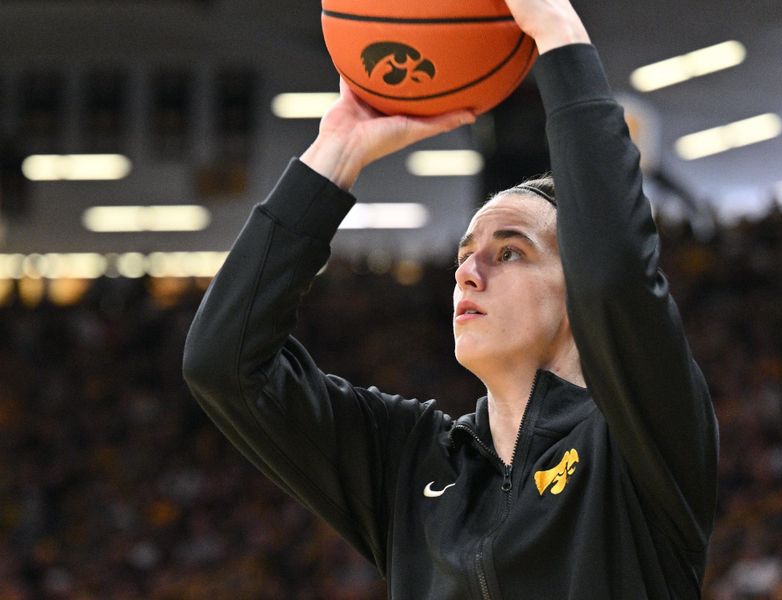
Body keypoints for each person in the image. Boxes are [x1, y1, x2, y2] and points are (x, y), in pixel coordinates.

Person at [182, 0, 719, 597]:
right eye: (465, 253)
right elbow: (225, 366)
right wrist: (337, 150)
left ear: (579, 293)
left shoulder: (641, 436)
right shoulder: (411, 461)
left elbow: (618, 277)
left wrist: (558, 34)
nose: (468, 271)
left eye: (510, 251)